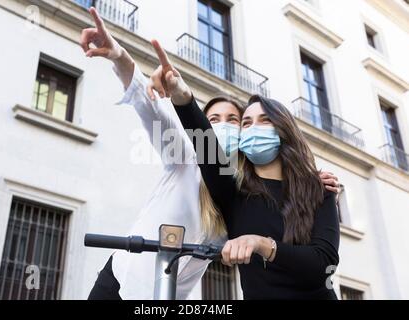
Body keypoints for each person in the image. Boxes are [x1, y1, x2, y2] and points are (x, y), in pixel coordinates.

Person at [81, 8, 340, 300]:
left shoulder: (246, 187)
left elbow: (320, 258)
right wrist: (121, 57)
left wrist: (309, 179)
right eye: (213, 120)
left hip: (174, 296)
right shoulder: (187, 157)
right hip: (126, 281)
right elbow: (150, 108)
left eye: (234, 120)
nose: (225, 126)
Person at [148, 41, 341, 299]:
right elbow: (205, 143)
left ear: (283, 131)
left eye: (265, 120)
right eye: (247, 123)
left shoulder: (318, 189)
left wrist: (261, 244)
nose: (254, 128)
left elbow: (322, 263)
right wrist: (181, 95)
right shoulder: (233, 193)